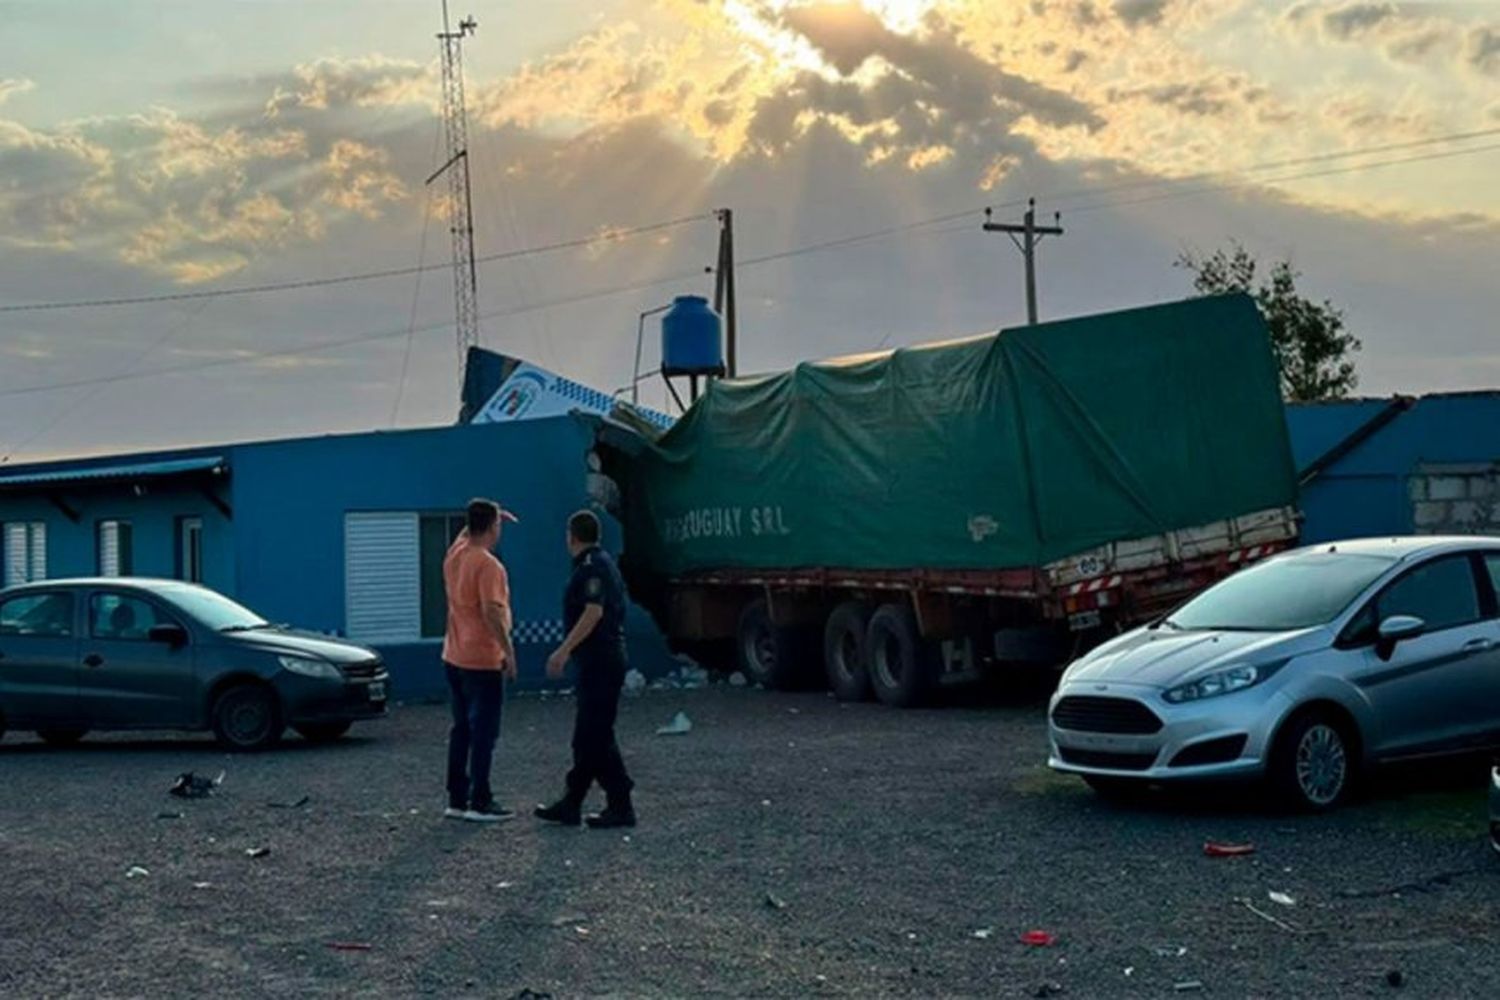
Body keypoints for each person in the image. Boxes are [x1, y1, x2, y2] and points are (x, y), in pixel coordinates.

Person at [535, 509, 636, 829]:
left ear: (572, 536)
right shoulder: (598, 564)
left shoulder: (592, 568)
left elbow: (593, 612)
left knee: (591, 736)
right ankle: (584, 802)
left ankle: (603, 802)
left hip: (601, 661)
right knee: (594, 736)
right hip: (598, 661)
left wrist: (562, 651)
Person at [442, 498, 519, 823]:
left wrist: (486, 514)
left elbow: (465, 534)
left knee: (461, 729)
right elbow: (492, 612)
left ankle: (457, 798)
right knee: (484, 732)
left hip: (454, 655)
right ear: (492, 527)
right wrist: (509, 652)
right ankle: (481, 799)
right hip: (482, 658)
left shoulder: (455, 555)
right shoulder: (488, 566)